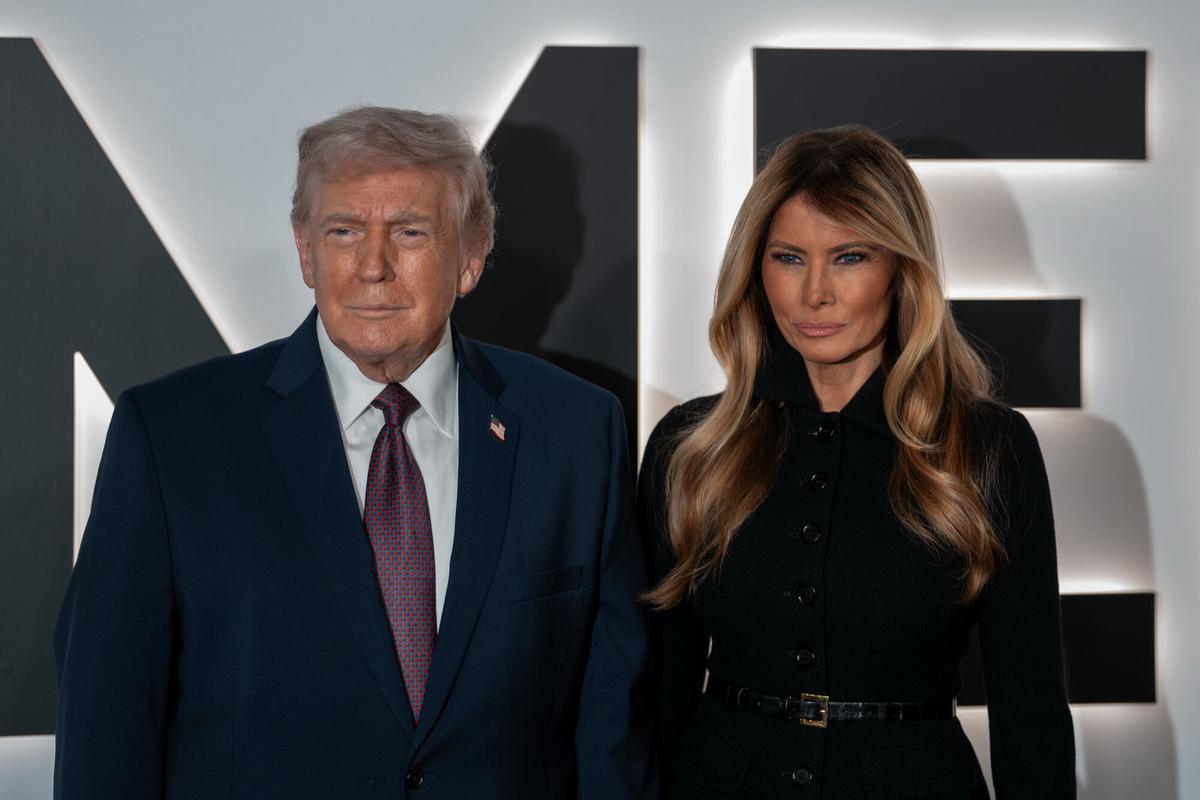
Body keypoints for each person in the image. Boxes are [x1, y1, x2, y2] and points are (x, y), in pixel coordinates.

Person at [53, 106, 656, 799]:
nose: (373, 266)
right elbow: (107, 717)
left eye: (409, 232)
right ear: (306, 252)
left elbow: (612, 722)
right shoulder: (170, 437)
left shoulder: (574, 430)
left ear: (472, 255)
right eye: (343, 231)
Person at [639, 126, 1074, 798]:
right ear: (755, 269)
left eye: (848, 258)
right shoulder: (692, 446)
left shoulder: (987, 447)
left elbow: (1031, 711)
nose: (814, 293)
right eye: (788, 257)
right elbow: (658, 693)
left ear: (901, 269)